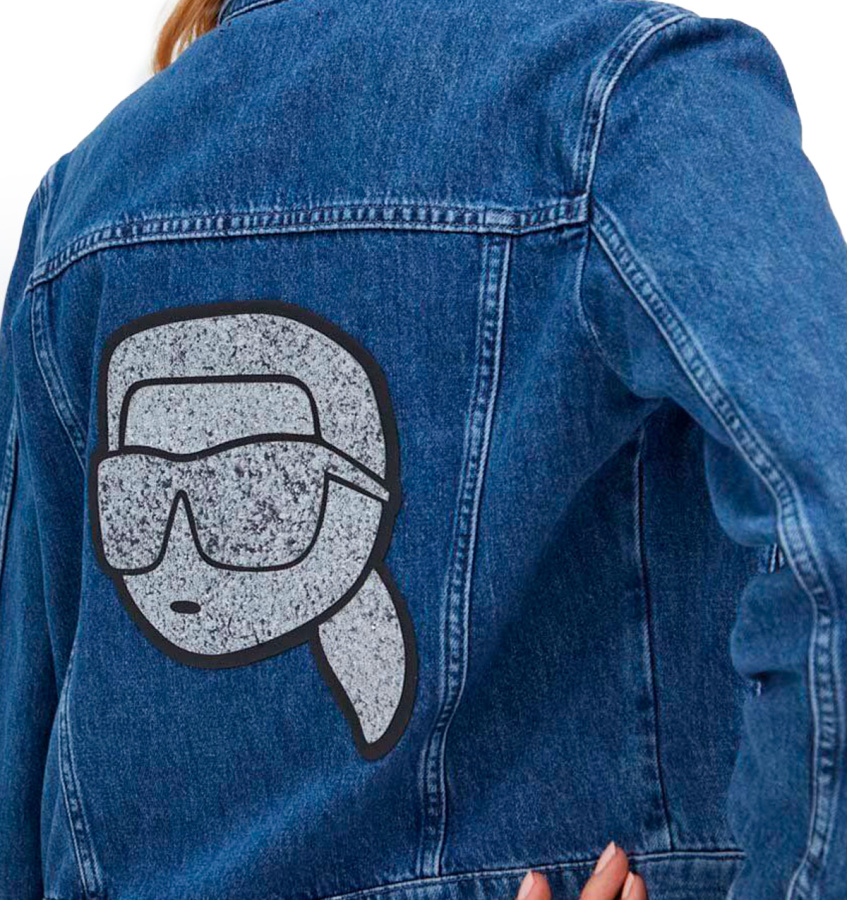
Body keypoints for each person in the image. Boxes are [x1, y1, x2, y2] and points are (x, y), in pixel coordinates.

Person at [1, 0, 845, 898]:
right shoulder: (627, 102)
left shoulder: (83, 204)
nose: (184, 552)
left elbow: (21, 745)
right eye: (141, 497)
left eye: (260, 497)